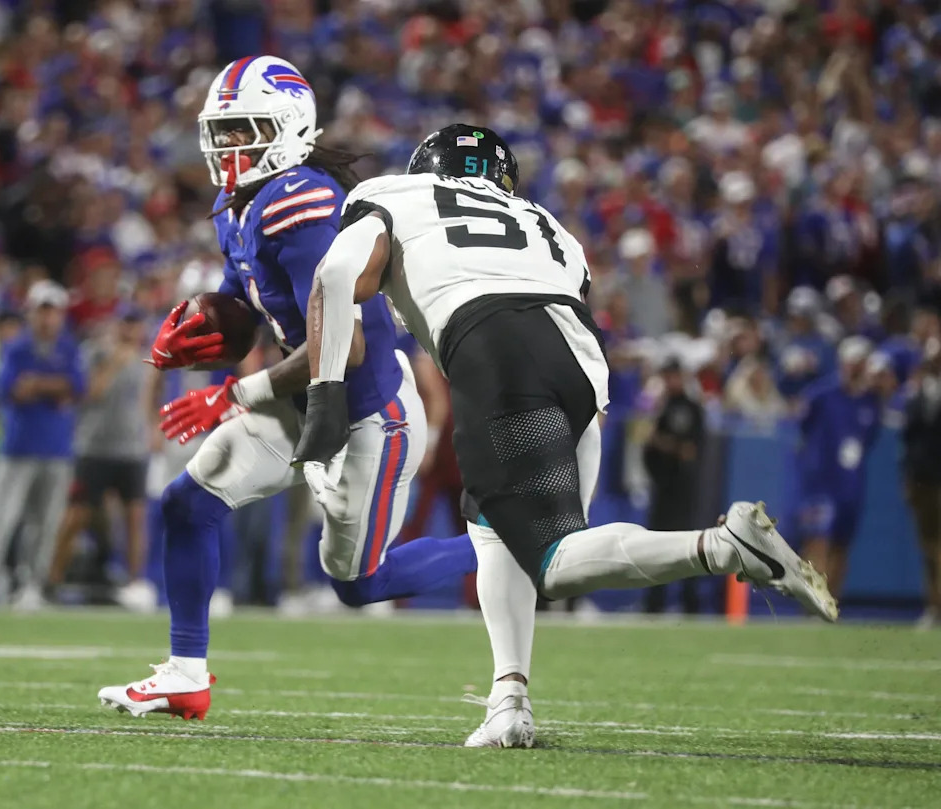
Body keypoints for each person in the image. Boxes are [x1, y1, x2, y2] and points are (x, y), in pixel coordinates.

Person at [294, 123, 839, 749]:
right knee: (499, 531)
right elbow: (574, 311)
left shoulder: (394, 194)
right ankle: (509, 699)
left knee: (554, 562)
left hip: (495, 341)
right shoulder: (550, 224)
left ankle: (725, 547)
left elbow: (335, 278)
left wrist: (325, 395)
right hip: (580, 358)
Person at [97, 57, 476, 720]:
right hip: (302, 399)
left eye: (246, 128)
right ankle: (186, 673)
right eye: (223, 130)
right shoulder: (237, 203)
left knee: (360, 583)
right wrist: (207, 318)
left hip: (367, 412)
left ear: (288, 128)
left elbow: (344, 347)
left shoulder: (302, 206)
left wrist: (233, 394)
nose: (228, 145)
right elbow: (247, 293)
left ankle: (505, 539)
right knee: (189, 501)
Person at [0, 280, 84, 610]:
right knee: (1, 519)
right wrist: (56, 387)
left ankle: (32, 586)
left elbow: (77, 388)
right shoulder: (16, 348)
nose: (48, 318)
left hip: (56, 449)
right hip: (17, 448)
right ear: (32, 313)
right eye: (43, 311)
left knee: (45, 523)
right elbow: (12, 390)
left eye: (53, 311)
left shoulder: (68, 348)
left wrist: (38, 384)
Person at [47, 305, 153, 610]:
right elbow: (90, 393)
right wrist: (115, 363)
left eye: (135, 323)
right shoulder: (94, 352)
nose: (131, 330)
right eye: (126, 323)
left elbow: (148, 397)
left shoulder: (148, 357)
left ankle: (135, 585)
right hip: (94, 447)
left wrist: (150, 430)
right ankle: (51, 581)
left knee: (135, 516)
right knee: (77, 516)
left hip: (132, 448)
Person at [797, 336, 882, 600]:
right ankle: (812, 600)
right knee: (818, 541)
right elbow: (803, 427)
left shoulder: (870, 401)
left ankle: (831, 602)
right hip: (822, 481)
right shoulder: (822, 395)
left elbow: (868, 439)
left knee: (842, 546)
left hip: (851, 485)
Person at [642, 357, 706, 615]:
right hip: (661, 488)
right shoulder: (661, 407)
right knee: (657, 547)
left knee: (686, 545)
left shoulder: (690, 409)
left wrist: (661, 442)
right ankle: (655, 603)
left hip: (682, 489)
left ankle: (690, 602)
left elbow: (688, 451)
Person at [901, 338, 941, 629]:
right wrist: (909, 477)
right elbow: (909, 440)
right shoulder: (916, 393)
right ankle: (933, 605)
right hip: (923, 481)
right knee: (928, 546)